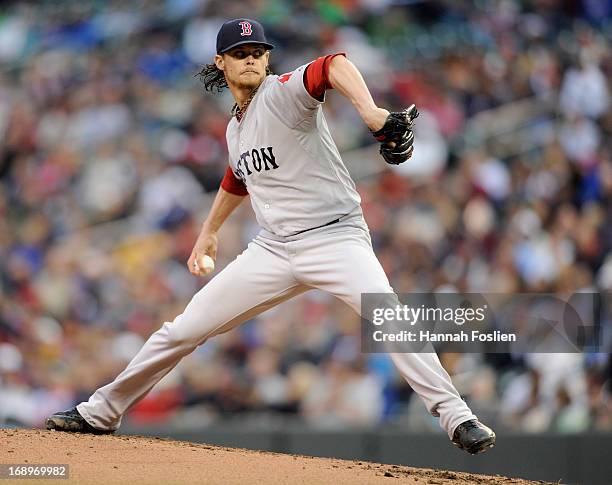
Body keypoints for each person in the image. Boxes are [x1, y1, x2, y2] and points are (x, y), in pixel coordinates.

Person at [46, 18, 495, 455]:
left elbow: (333, 64)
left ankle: (457, 417)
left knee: (388, 315)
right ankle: (101, 412)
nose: (251, 59)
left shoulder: (283, 93)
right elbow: (237, 177)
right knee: (182, 330)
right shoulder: (235, 127)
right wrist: (208, 232)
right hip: (273, 250)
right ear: (220, 62)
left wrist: (372, 112)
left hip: (336, 239)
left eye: (258, 52)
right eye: (240, 54)